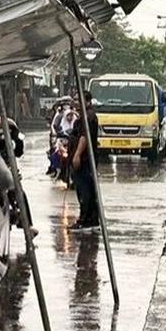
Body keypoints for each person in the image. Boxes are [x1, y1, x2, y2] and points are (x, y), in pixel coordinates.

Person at [69, 93, 101, 230]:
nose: (75, 102)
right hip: (86, 158)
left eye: (78, 99)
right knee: (87, 189)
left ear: (86, 101)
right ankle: (91, 219)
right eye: (74, 99)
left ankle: (85, 219)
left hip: (85, 159)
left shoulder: (88, 117)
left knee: (84, 190)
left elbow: (84, 137)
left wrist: (77, 155)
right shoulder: (85, 115)